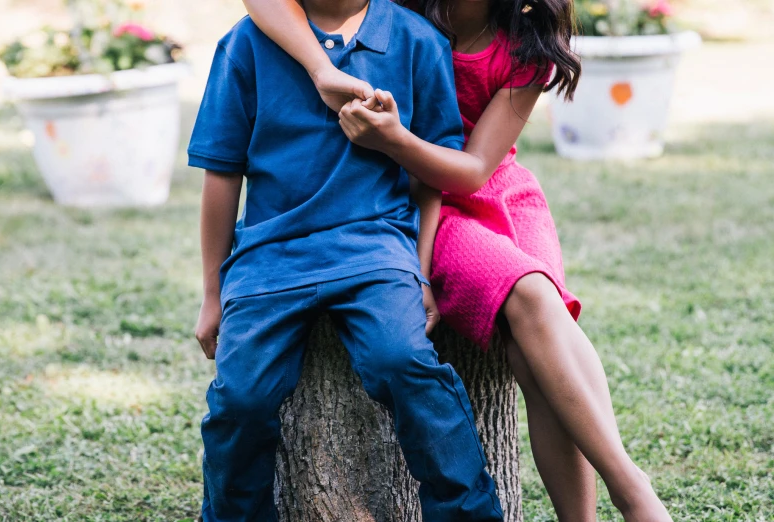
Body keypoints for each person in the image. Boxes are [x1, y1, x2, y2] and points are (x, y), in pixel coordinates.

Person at [238, 0, 674, 521]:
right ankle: (632, 492)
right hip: (422, 204)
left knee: (535, 351)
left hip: (496, 190)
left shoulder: (527, 45)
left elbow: (473, 170)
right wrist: (323, 70)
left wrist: (396, 138)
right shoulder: (398, 11)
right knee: (531, 294)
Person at [188, 0, 507, 520]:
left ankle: (467, 512)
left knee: (403, 362)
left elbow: (430, 178)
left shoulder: (417, 41)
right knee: (240, 398)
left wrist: (419, 271)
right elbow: (220, 172)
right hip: (270, 257)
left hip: (375, 248)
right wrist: (211, 292)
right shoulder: (245, 44)